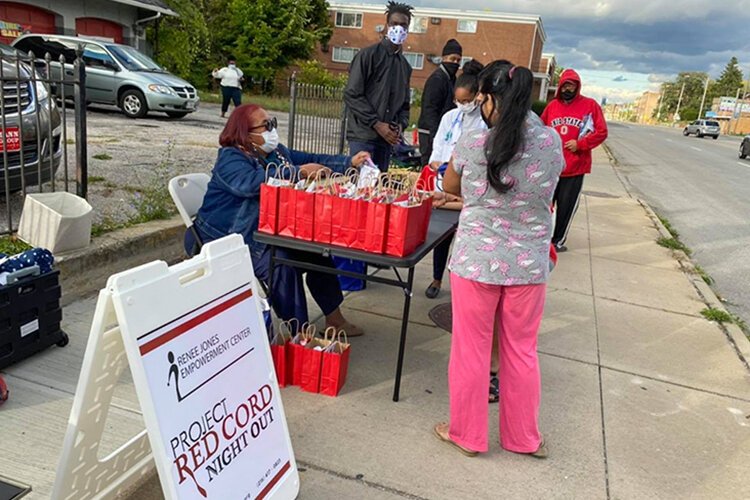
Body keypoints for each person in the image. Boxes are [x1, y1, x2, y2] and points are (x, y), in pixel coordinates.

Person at [433, 61, 564, 458]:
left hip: (477, 261)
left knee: (470, 350)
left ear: (488, 99)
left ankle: (468, 435)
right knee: (521, 351)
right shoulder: (551, 142)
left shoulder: (474, 142)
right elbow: (547, 192)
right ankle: (524, 439)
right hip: (528, 264)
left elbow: (450, 184)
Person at [185, 104, 371, 335]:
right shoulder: (230, 158)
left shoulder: (275, 153)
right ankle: (300, 333)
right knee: (282, 264)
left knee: (318, 255)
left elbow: (310, 158)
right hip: (232, 238)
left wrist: (348, 163)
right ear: (246, 132)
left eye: (272, 122)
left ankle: (335, 319)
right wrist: (298, 172)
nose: (271, 129)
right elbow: (250, 183)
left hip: (267, 232)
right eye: (266, 125)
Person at [423, 59, 486, 300]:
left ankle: (462, 285)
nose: (462, 105)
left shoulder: (484, 121)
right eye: (458, 101)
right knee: (442, 239)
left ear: (478, 96)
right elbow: (435, 153)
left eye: (467, 101)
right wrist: (441, 165)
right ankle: (437, 278)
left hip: (470, 192)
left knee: (466, 243)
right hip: (444, 190)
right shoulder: (450, 117)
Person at [541, 69, 608, 252]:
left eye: (571, 85)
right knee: (544, 205)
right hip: (552, 166)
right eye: (565, 85)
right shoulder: (552, 106)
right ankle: (541, 237)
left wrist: (581, 144)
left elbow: (601, 132)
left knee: (566, 207)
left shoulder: (590, 105)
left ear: (577, 86)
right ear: (560, 86)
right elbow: (541, 129)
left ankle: (557, 241)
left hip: (575, 167)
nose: (567, 88)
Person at [343, 1, 413, 171]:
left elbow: (404, 105)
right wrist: (376, 123)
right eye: (394, 24)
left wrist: (400, 126)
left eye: (403, 25)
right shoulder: (368, 56)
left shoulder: (405, 66)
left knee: (379, 190)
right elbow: (352, 94)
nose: (399, 28)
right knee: (361, 189)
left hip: (386, 141)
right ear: (386, 26)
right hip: (363, 136)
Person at [417, 39, 463, 165]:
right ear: (444, 58)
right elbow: (429, 108)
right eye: (452, 59)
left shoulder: (452, 79)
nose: (455, 63)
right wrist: (436, 134)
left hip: (444, 131)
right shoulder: (437, 79)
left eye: (458, 60)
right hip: (430, 132)